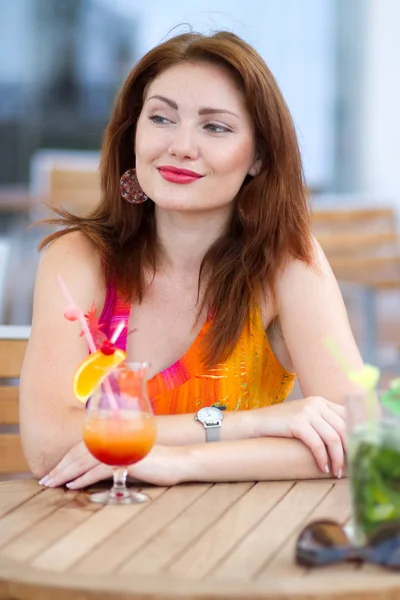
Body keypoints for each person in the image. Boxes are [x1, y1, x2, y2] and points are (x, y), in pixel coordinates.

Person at [20, 30, 363, 490]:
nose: (181, 145)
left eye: (215, 126)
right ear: (133, 132)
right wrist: (247, 424)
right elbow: (47, 444)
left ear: (259, 156)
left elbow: (359, 438)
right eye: (161, 118)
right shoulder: (79, 257)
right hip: (90, 537)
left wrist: (180, 464)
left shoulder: (286, 262)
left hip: (237, 546)